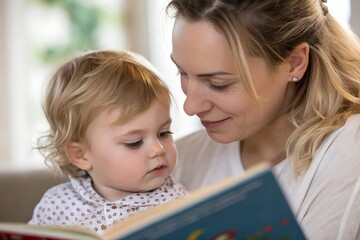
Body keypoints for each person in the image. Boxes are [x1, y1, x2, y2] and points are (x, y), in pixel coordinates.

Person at [166, 0, 360, 239]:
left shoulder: (349, 148)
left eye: (219, 84)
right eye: (182, 73)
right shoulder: (180, 158)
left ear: (294, 63)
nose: (189, 107)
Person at [28, 50, 188, 233]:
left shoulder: (178, 204)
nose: (158, 149)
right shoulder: (56, 206)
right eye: (134, 142)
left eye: (164, 133)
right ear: (80, 155)